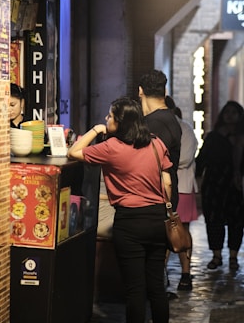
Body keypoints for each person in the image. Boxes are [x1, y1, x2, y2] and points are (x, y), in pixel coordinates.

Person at [67, 96, 172, 323]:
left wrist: (96, 130)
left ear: (120, 122)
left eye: (110, 116)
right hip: (156, 219)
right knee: (156, 285)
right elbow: (168, 183)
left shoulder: (111, 148)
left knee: (135, 289)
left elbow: (73, 152)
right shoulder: (156, 143)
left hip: (130, 222)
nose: (106, 119)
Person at [196, 100, 244, 270]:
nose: (230, 116)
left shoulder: (241, 137)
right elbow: (202, 159)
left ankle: (233, 256)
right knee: (214, 220)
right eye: (227, 112)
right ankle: (216, 256)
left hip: (235, 184)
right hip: (215, 183)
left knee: (236, 221)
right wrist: (198, 179)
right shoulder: (214, 136)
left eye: (234, 112)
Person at [165, 96, 198, 291]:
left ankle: (185, 273)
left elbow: (185, 158)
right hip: (165, 185)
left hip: (183, 186)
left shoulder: (184, 128)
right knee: (163, 230)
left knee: (181, 230)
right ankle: (163, 274)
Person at [138, 70, 182, 211]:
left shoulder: (154, 123)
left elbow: (149, 164)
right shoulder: (169, 118)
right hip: (164, 195)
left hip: (155, 198)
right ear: (165, 91)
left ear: (140, 91)